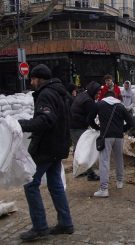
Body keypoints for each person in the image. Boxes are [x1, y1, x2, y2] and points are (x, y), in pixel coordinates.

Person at [18, 64, 74, 241]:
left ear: (39, 78)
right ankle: (65, 223)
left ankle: (40, 226)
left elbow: (45, 120)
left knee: (30, 184)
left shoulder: (46, 94)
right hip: (58, 146)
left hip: (46, 148)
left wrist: (22, 124)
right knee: (55, 184)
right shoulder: (60, 92)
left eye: (33, 78)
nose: (31, 82)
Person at [89, 91, 135, 197]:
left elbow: (89, 119)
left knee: (104, 161)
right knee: (119, 159)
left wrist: (98, 128)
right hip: (119, 137)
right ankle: (119, 182)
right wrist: (122, 129)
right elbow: (132, 122)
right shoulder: (120, 106)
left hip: (106, 136)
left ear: (105, 97)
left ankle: (104, 189)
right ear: (114, 97)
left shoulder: (99, 104)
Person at [70, 81, 101, 181]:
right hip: (77, 126)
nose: (98, 95)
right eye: (97, 93)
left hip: (72, 125)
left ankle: (78, 170)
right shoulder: (89, 101)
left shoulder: (83, 95)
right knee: (84, 150)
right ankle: (90, 174)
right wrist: (98, 128)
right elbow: (90, 120)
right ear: (93, 92)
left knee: (77, 147)